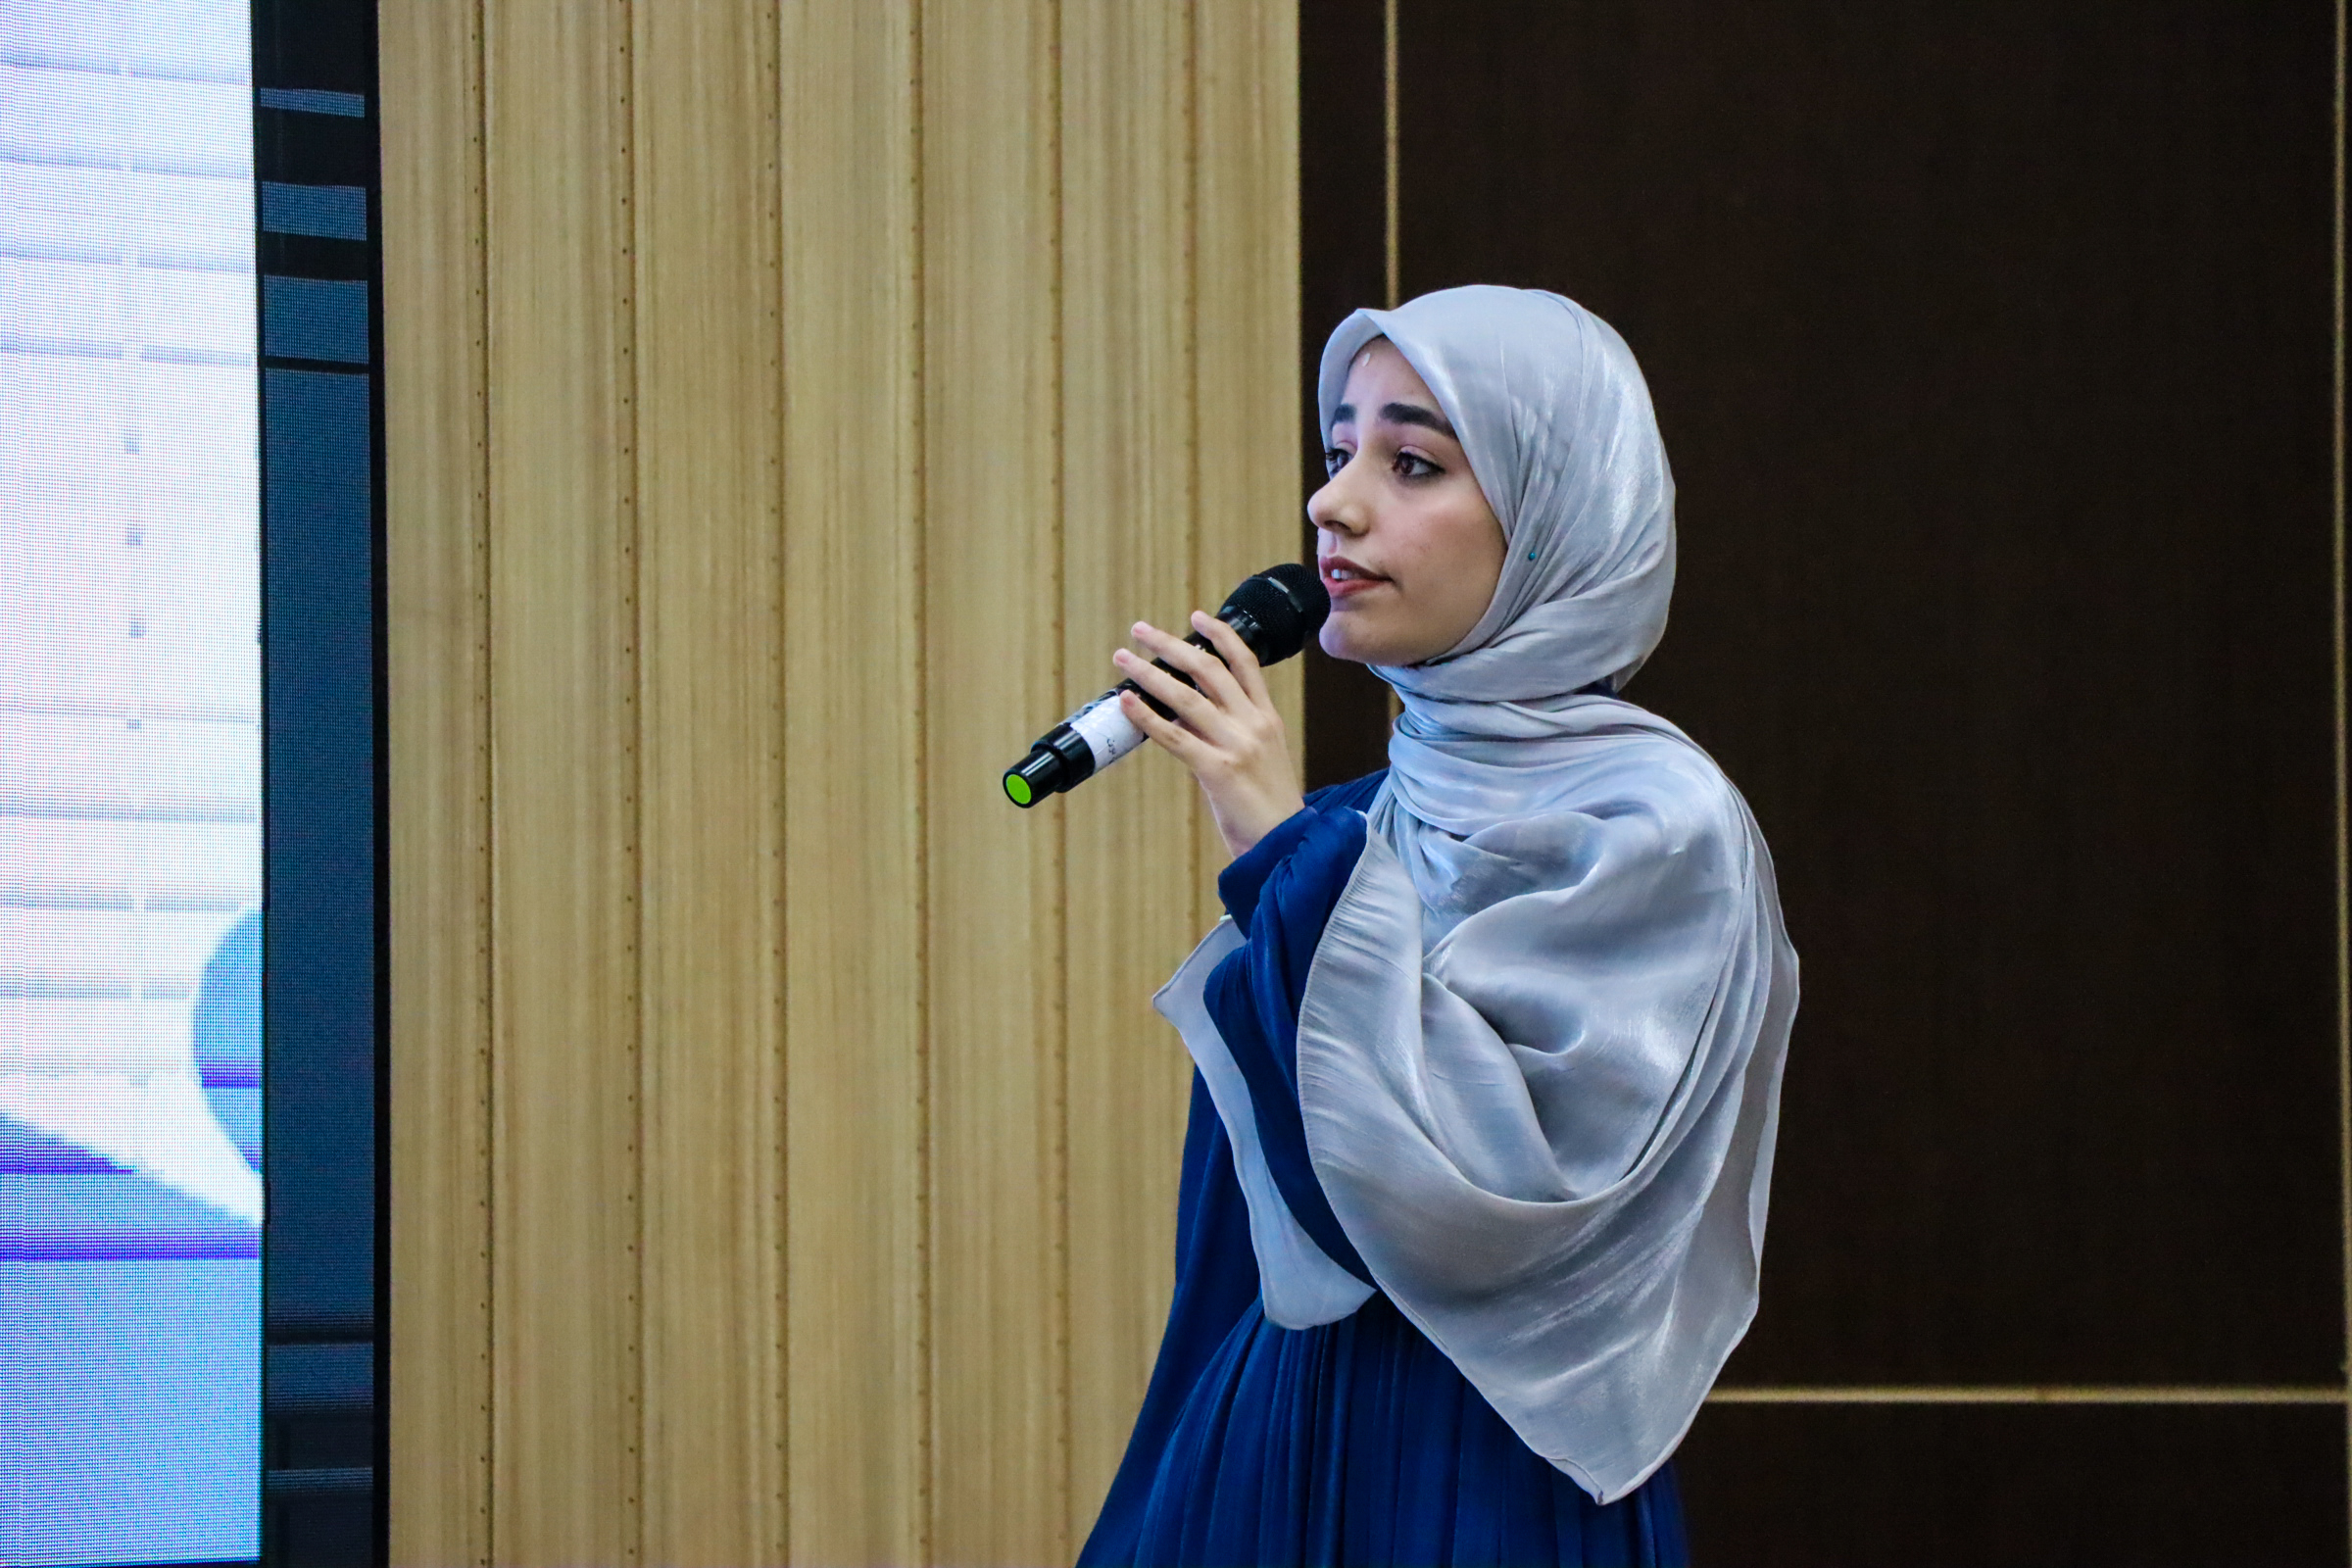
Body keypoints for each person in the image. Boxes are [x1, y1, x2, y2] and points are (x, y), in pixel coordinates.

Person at [1077, 285, 1798, 1568]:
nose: (1334, 505)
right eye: (1337, 451)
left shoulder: (1653, 822)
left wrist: (1281, 850)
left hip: (1480, 1468)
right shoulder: (1355, 824)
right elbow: (1260, 1239)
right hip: (1268, 1439)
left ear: (1562, 512)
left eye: (1411, 462)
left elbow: (1486, 1205)